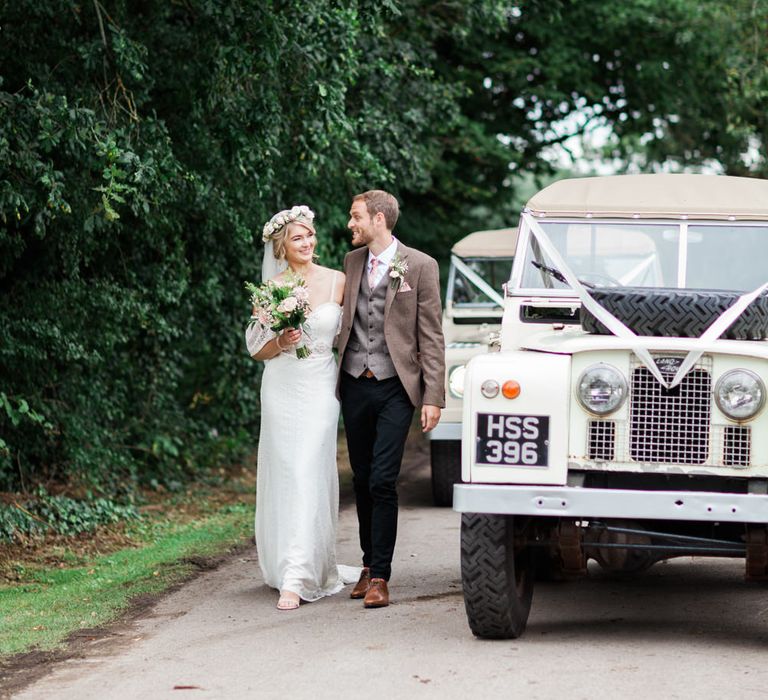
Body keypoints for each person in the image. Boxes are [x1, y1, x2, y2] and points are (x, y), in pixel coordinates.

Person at [337, 190, 446, 608]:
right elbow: (348, 321)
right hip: (354, 383)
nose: (351, 223)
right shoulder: (351, 263)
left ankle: (381, 574)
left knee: (383, 479)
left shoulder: (420, 266)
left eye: (356, 216)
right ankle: (367, 565)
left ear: (379, 219)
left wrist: (433, 395)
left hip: (396, 386)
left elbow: (432, 335)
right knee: (362, 478)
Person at [246, 205, 357, 611]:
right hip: (281, 384)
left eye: (309, 235)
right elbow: (258, 350)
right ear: (282, 247)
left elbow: (356, 334)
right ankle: (289, 567)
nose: (307, 242)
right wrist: (282, 341)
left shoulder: (338, 280)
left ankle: (301, 572)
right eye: (297, 238)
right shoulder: (270, 288)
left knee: (309, 466)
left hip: (320, 385)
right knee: (287, 470)